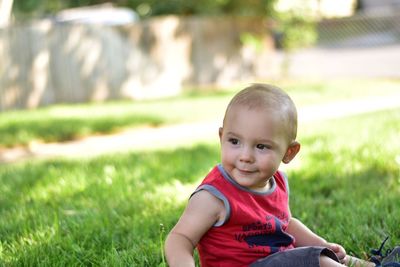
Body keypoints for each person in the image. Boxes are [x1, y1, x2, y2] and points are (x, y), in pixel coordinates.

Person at [164, 84, 381, 267]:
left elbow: (284, 224)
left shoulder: (277, 183)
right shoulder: (213, 196)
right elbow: (179, 238)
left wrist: (320, 242)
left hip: (277, 260)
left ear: (289, 152)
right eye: (234, 142)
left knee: (322, 255)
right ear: (222, 137)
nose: (245, 156)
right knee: (316, 260)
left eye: (261, 146)